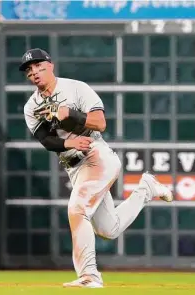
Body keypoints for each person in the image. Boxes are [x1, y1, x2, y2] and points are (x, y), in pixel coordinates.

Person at [21, 48, 173, 288]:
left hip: (96, 155)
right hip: (74, 166)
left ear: (50, 65)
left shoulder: (76, 88)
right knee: (108, 229)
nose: (34, 72)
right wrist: (69, 141)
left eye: (39, 66)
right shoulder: (32, 107)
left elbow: (100, 123)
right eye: (29, 71)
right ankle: (146, 189)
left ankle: (89, 276)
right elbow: (47, 141)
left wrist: (68, 113)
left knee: (77, 209)